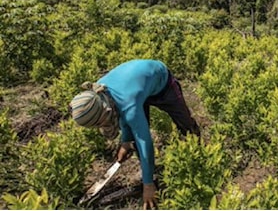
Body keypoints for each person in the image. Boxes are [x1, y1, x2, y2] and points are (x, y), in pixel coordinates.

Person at [69, 59, 200, 209]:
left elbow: (145, 141)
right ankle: (150, 172)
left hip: (163, 83)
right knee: (134, 136)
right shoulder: (99, 93)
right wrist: (126, 142)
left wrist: (148, 185)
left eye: (100, 123)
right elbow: (120, 108)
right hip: (137, 90)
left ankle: (197, 155)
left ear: (104, 111)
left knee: (186, 126)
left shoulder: (126, 104)